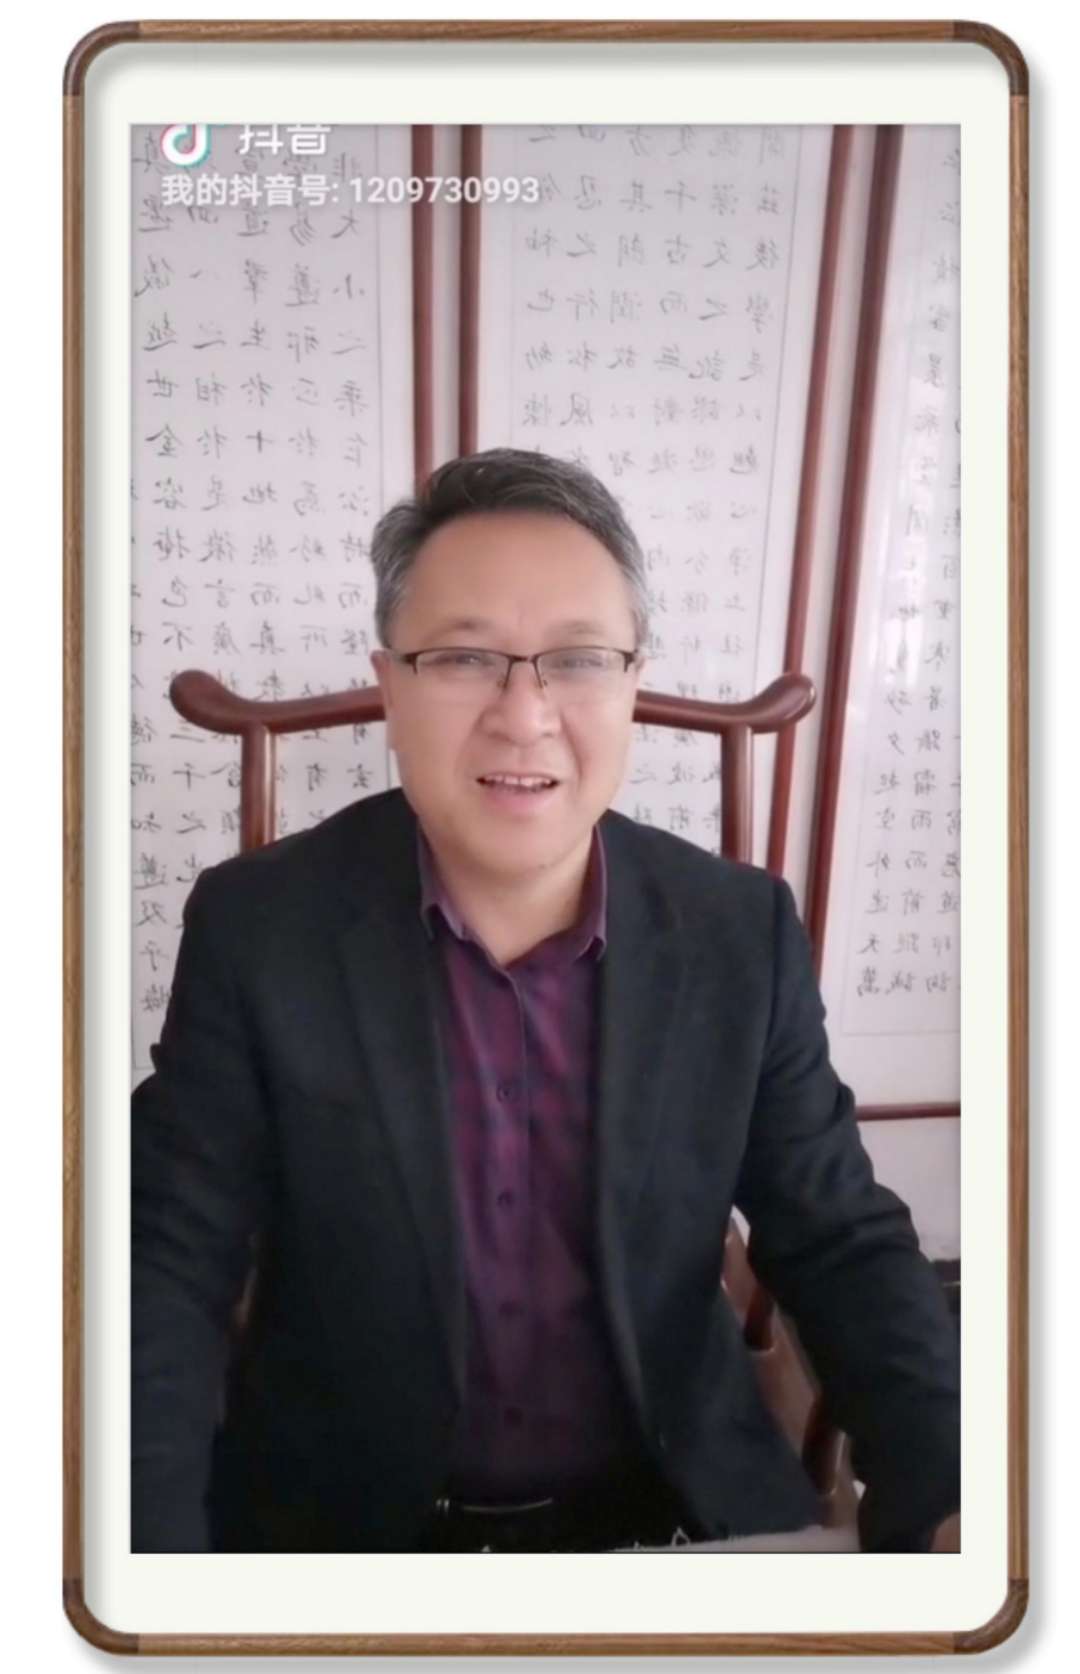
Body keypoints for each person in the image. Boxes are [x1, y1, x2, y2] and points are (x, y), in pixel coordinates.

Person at [131, 447, 960, 1555]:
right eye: (463, 657)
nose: (524, 717)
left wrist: (949, 1492)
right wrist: (149, 1566)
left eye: (577, 660)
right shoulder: (259, 929)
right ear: (391, 687)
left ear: (632, 682)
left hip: (672, 1520)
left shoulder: (737, 933)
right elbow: (165, 1260)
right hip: (345, 1536)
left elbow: (839, 1236)